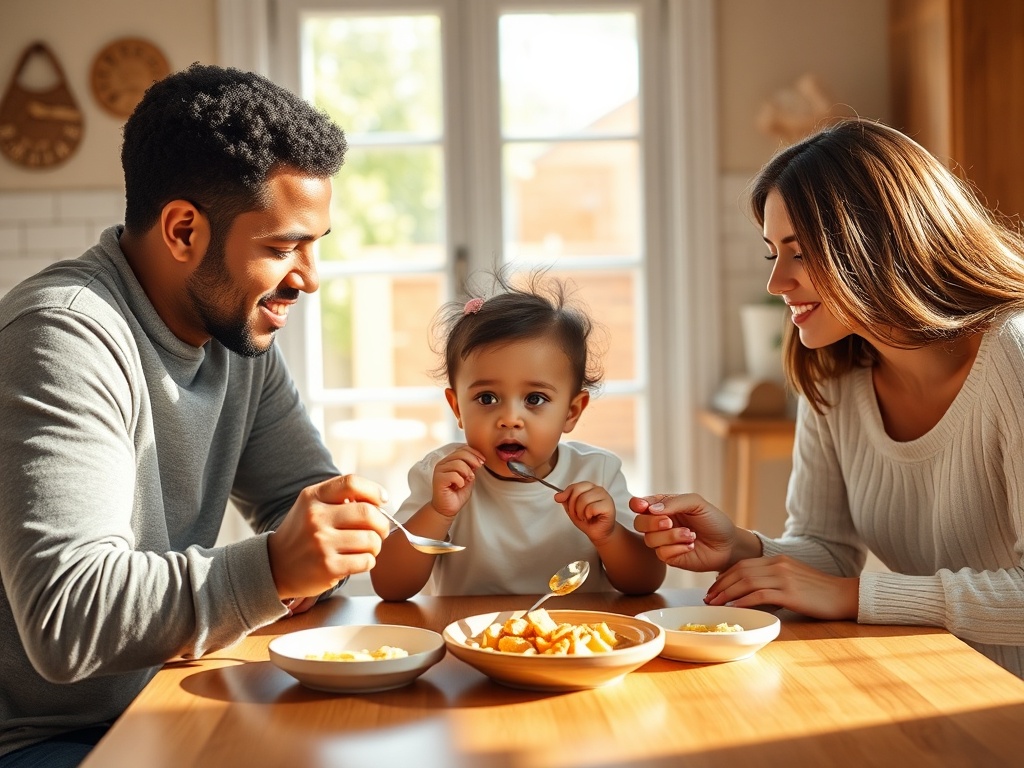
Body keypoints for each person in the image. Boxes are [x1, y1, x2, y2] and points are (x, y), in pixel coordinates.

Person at [0, 64, 392, 766]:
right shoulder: (61, 336)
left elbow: (299, 504)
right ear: (183, 230)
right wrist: (272, 569)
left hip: (170, 693)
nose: (309, 278)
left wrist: (330, 538)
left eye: (315, 243)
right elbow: (66, 617)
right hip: (47, 740)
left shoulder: (237, 337)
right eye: (281, 247)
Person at [631, 118, 1024, 678]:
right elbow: (828, 549)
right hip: (943, 679)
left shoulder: (1013, 351)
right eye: (773, 254)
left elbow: (842, 584)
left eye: (801, 252)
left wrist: (853, 596)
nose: (776, 283)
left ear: (883, 242)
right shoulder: (834, 370)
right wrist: (741, 546)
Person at [371, 272, 666, 599]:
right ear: (457, 407)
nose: (509, 419)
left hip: (574, 642)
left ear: (572, 411)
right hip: (472, 640)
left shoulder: (597, 472)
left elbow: (645, 582)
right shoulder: (441, 476)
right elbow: (390, 587)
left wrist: (609, 535)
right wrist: (438, 513)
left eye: (535, 399)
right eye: (487, 399)